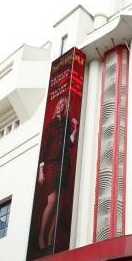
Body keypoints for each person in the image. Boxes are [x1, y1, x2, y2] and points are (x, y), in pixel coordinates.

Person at [37, 96, 79, 252]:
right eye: (59, 103)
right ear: (56, 107)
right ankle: (41, 235)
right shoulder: (50, 125)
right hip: (51, 164)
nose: (61, 105)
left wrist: (75, 129)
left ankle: (51, 237)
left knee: (60, 202)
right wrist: (41, 171)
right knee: (52, 201)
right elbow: (44, 148)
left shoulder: (67, 123)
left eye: (64, 104)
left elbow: (70, 144)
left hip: (64, 165)